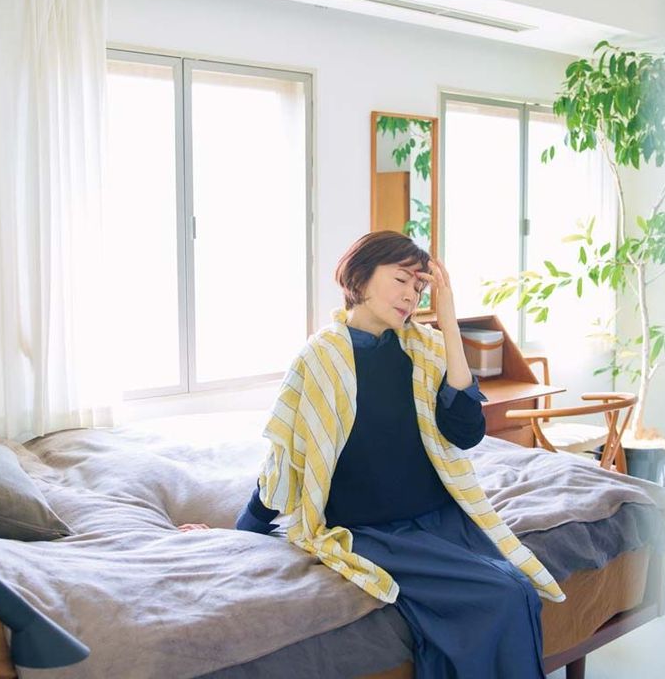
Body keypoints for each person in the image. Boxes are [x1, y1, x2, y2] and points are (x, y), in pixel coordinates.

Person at [232, 230, 555, 678]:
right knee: (501, 595)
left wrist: (448, 323)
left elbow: (466, 433)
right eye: (401, 280)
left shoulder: (424, 348)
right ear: (360, 276)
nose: (410, 296)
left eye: (419, 288)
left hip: (441, 520)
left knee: (519, 589)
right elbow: (288, 458)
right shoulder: (321, 358)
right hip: (373, 531)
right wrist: (240, 532)